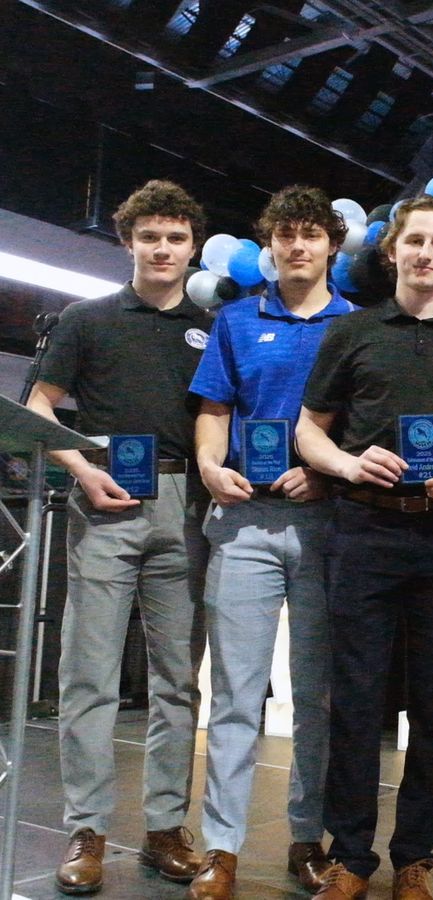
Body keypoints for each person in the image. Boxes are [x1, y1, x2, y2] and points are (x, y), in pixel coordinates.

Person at [295, 195, 433, 900]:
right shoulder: (353, 332)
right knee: (355, 698)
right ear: (392, 252)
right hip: (365, 532)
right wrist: (349, 465)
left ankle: (415, 856)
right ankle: (351, 855)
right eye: (414, 240)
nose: (425, 253)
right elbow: (308, 431)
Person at [25, 179, 210, 894]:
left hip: (186, 506)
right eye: (149, 236)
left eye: (174, 237)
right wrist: (82, 469)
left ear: (192, 246)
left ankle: (166, 827)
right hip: (103, 498)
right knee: (88, 674)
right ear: (128, 242)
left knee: (178, 681)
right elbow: (38, 404)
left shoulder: (210, 328)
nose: (162, 249)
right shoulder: (86, 318)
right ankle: (87, 829)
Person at [185, 186, 355, 899]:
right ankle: (222, 848)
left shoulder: (358, 323)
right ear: (271, 245)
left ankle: (305, 841)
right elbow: (214, 410)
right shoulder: (234, 318)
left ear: (331, 247)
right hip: (245, 526)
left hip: (324, 525)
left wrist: (327, 479)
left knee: (315, 697)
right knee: (234, 696)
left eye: (311, 235)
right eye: (285, 234)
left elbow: (362, 425)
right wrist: (207, 464)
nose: (297, 246)